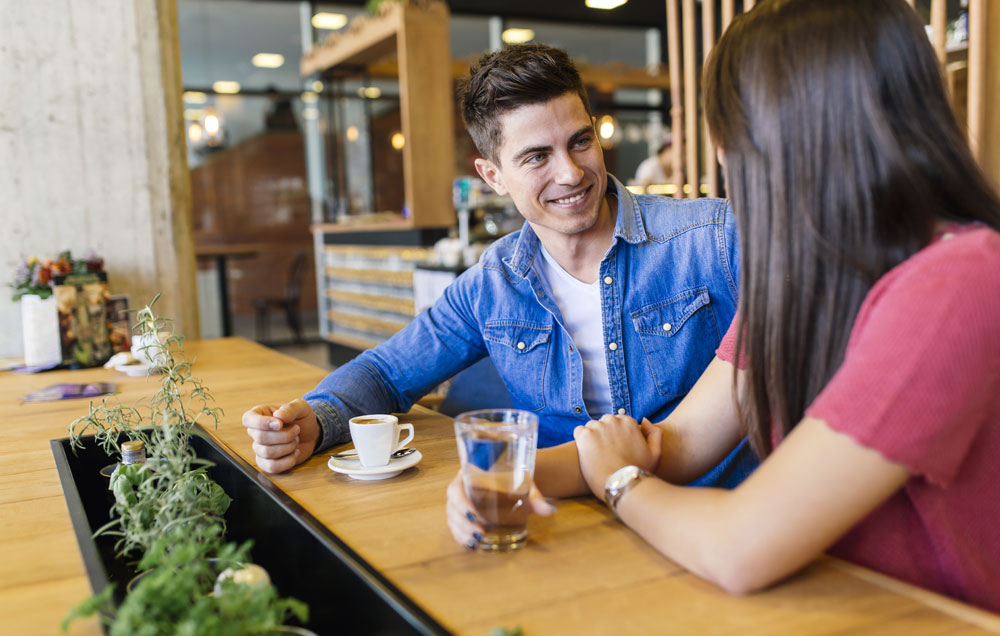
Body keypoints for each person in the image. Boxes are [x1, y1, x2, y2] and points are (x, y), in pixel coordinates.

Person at [448, 0, 1000, 612]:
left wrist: (622, 483)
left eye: (731, 135)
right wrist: (503, 473)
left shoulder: (959, 282)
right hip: (818, 603)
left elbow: (740, 545)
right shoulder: (804, 272)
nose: (724, 162)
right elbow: (677, 444)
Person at [242, 43, 757, 489]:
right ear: (493, 175)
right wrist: (315, 418)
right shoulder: (491, 284)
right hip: (565, 511)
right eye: (537, 157)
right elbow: (386, 373)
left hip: (710, 507)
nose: (571, 172)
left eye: (580, 141)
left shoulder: (713, 238)